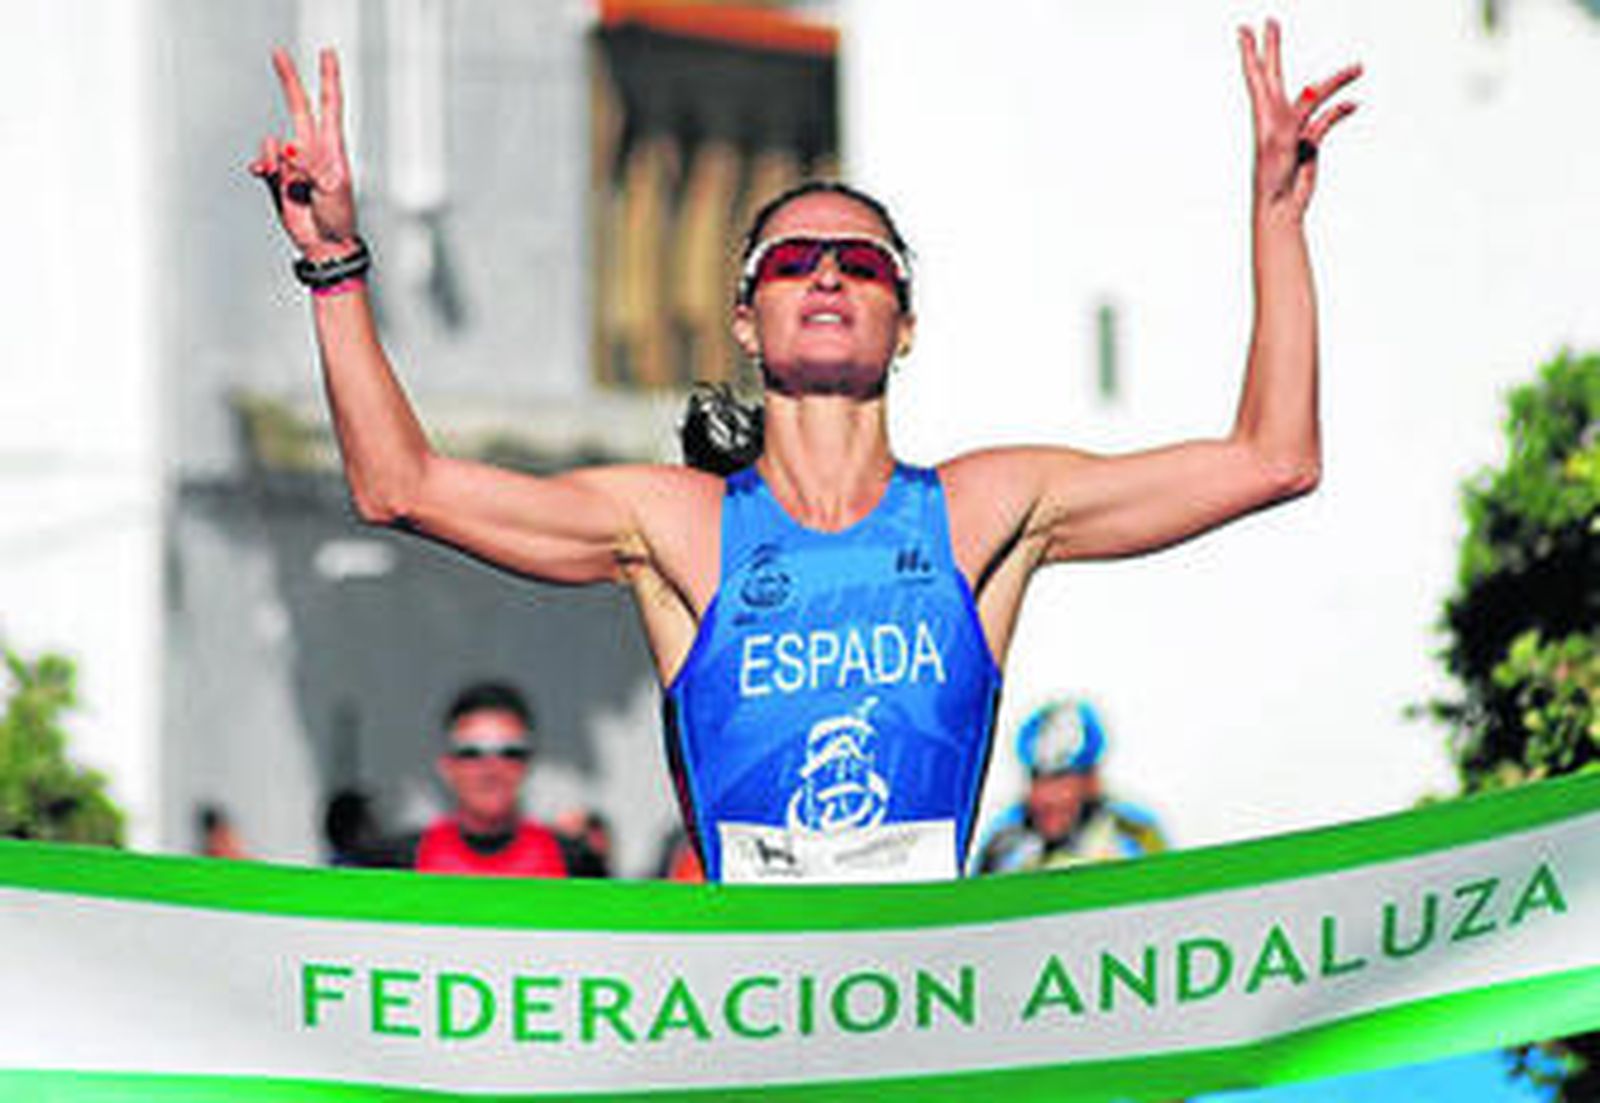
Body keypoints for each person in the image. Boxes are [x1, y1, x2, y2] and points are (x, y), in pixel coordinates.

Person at [251, 22, 1360, 884]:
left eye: (860, 263)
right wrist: (337, 262)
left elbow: (1272, 457)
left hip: (920, 1016)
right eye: (793, 261)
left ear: (906, 321)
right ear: (745, 317)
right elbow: (399, 486)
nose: (827, 276)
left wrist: (1277, 220)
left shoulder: (984, 507)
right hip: (755, 1024)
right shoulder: (676, 523)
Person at [352, 682, 569, 876]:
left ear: (528, 763)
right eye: (471, 752)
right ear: (446, 766)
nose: (490, 768)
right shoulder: (399, 862)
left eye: (509, 752)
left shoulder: (572, 860)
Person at [975, 698, 1168, 874]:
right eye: (1036, 779)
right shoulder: (1002, 844)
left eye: (1060, 779)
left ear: (1091, 782)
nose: (1046, 797)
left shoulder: (1135, 834)